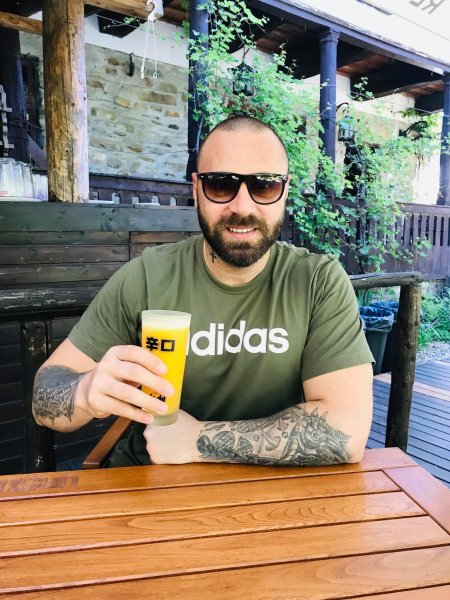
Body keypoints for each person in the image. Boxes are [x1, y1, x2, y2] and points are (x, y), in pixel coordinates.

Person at [32, 115, 373, 467]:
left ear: (285, 191)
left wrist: (197, 440)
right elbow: (45, 396)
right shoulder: (147, 277)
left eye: (265, 186)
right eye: (221, 185)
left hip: (271, 484)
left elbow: (346, 432)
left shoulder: (317, 281)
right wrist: (86, 391)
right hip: (150, 480)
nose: (242, 207)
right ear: (196, 189)